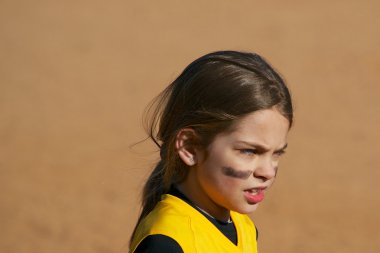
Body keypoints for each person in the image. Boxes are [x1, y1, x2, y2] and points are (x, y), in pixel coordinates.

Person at [129, 51, 294, 253]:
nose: (267, 172)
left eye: (277, 153)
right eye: (249, 151)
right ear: (190, 147)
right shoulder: (167, 243)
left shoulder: (242, 225)